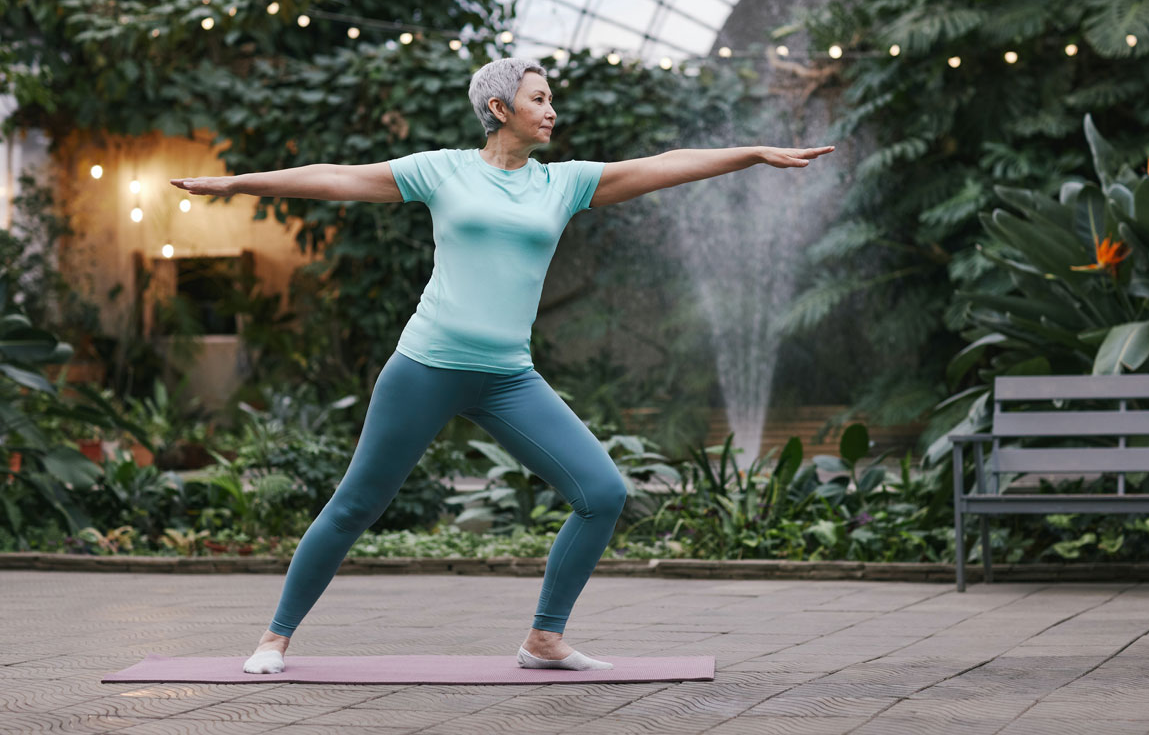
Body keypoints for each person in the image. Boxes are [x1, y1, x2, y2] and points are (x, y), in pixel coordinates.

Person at [170, 57, 834, 674]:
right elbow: (338, 179)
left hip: (508, 377)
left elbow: (666, 163)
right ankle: (274, 638)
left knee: (602, 494)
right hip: (426, 365)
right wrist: (235, 182)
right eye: (538, 98)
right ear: (499, 105)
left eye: (551, 100)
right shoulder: (443, 171)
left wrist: (749, 154)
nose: (551, 111)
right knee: (356, 505)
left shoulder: (564, 183)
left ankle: (544, 638)